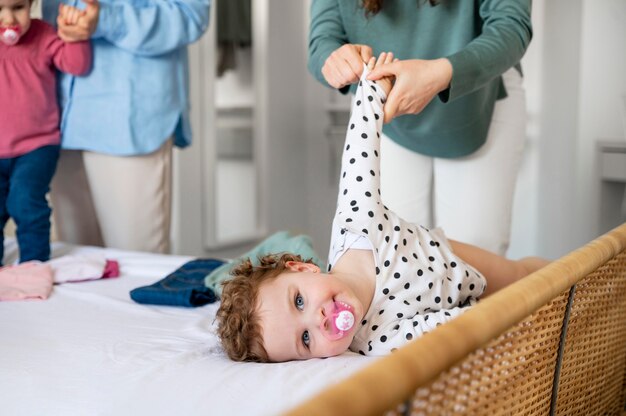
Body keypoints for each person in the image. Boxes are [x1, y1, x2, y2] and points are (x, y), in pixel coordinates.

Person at [216, 54, 548, 362]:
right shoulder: (376, 341)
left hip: (453, 259)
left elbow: (359, 153)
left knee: (522, 276)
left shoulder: (356, 226)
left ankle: (583, 278)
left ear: (303, 269)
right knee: (521, 307)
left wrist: (374, 87)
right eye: (305, 340)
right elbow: (450, 327)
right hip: (456, 304)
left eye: (299, 301)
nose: (316, 320)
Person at [308, 0, 532, 256]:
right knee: (392, 256)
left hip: (477, 98)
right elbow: (322, 43)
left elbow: (511, 27)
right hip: (388, 118)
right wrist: (336, 62)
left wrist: (441, 74)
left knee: (477, 255)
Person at [41, 0, 211, 254]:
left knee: (137, 266)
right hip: (59, 119)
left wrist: (107, 20)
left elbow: (192, 16)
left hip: (130, 122)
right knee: (75, 268)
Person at [0, 0, 98, 264]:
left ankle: (34, 265)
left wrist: (75, 36)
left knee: (25, 201)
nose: (9, 19)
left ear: (31, 4)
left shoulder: (43, 35)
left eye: (18, 7)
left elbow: (77, 65)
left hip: (37, 146)